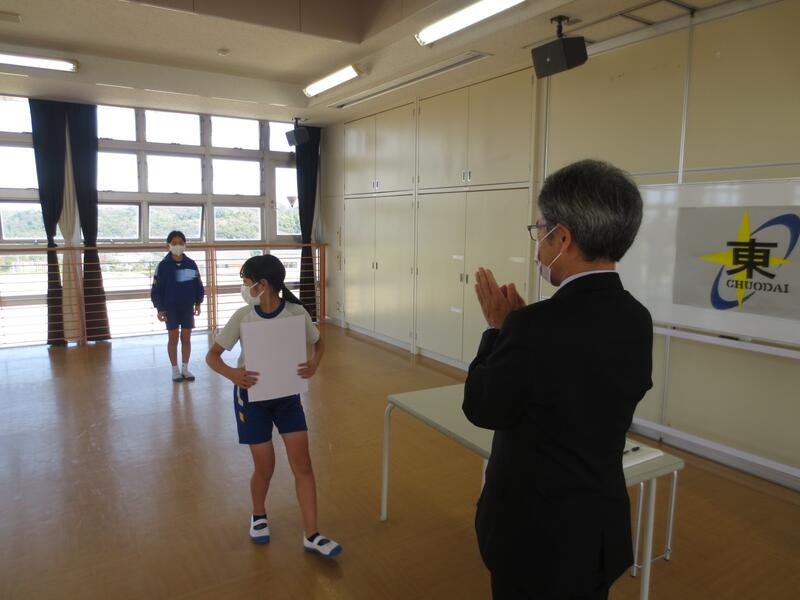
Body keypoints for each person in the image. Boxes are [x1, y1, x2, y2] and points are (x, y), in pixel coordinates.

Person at [463, 159, 653, 599]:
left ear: (563, 238)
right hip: (598, 529)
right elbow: (585, 384)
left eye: (541, 231)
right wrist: (520, 331)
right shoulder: (636, 318)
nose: (538, 247)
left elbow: (482, 406)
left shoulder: (532, 328)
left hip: (534, 535)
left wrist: (499, 330)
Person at [205, 254, 342, 557]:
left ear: (262, 284)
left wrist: (314, 364)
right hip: (252, 401)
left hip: (287, 398)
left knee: (303, 465)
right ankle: (258, 514)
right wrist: (233, 374)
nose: (244, 288)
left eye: (246, 282)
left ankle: (312, 534)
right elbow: (212, 356)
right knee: (265, 466)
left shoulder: (296, 313)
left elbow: (319, 343)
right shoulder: (243, 317)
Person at [151, 230, 204, 382]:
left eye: (181, 243)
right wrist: (160, 308)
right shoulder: (163, 266)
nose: (178, 246)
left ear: (185, 245)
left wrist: (198, 302)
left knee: (186, 338)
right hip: (170, 308)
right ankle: (175, 370)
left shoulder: (191, 264)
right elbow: (156, 289)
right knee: (173, 338)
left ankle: (185, 369)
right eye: (174, 243)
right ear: (168, 245)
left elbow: (197, 285)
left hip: (187, 307)